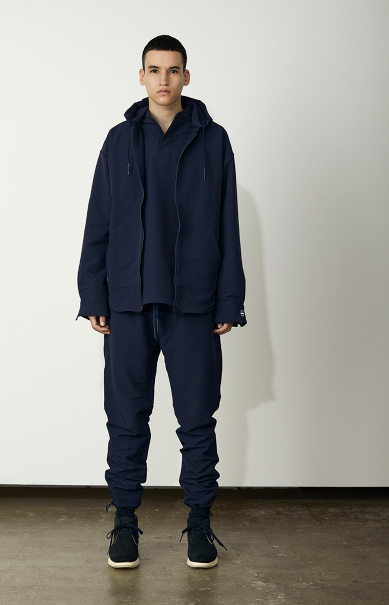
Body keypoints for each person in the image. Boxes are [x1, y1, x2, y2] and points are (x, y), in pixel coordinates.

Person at [75, 34, 247, 569]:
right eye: (155, 70)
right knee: (126, 418)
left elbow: (228, 223)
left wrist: (228, 300)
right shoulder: (118, 140)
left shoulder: (213, 139)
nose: (164, 79)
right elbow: (99, 220)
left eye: (174, 70)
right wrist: (93, 292)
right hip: (128, 302)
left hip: (192, 303)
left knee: (197, 418)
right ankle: (126, 522)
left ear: (186, 77)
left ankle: (199, 523)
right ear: (142, 76)